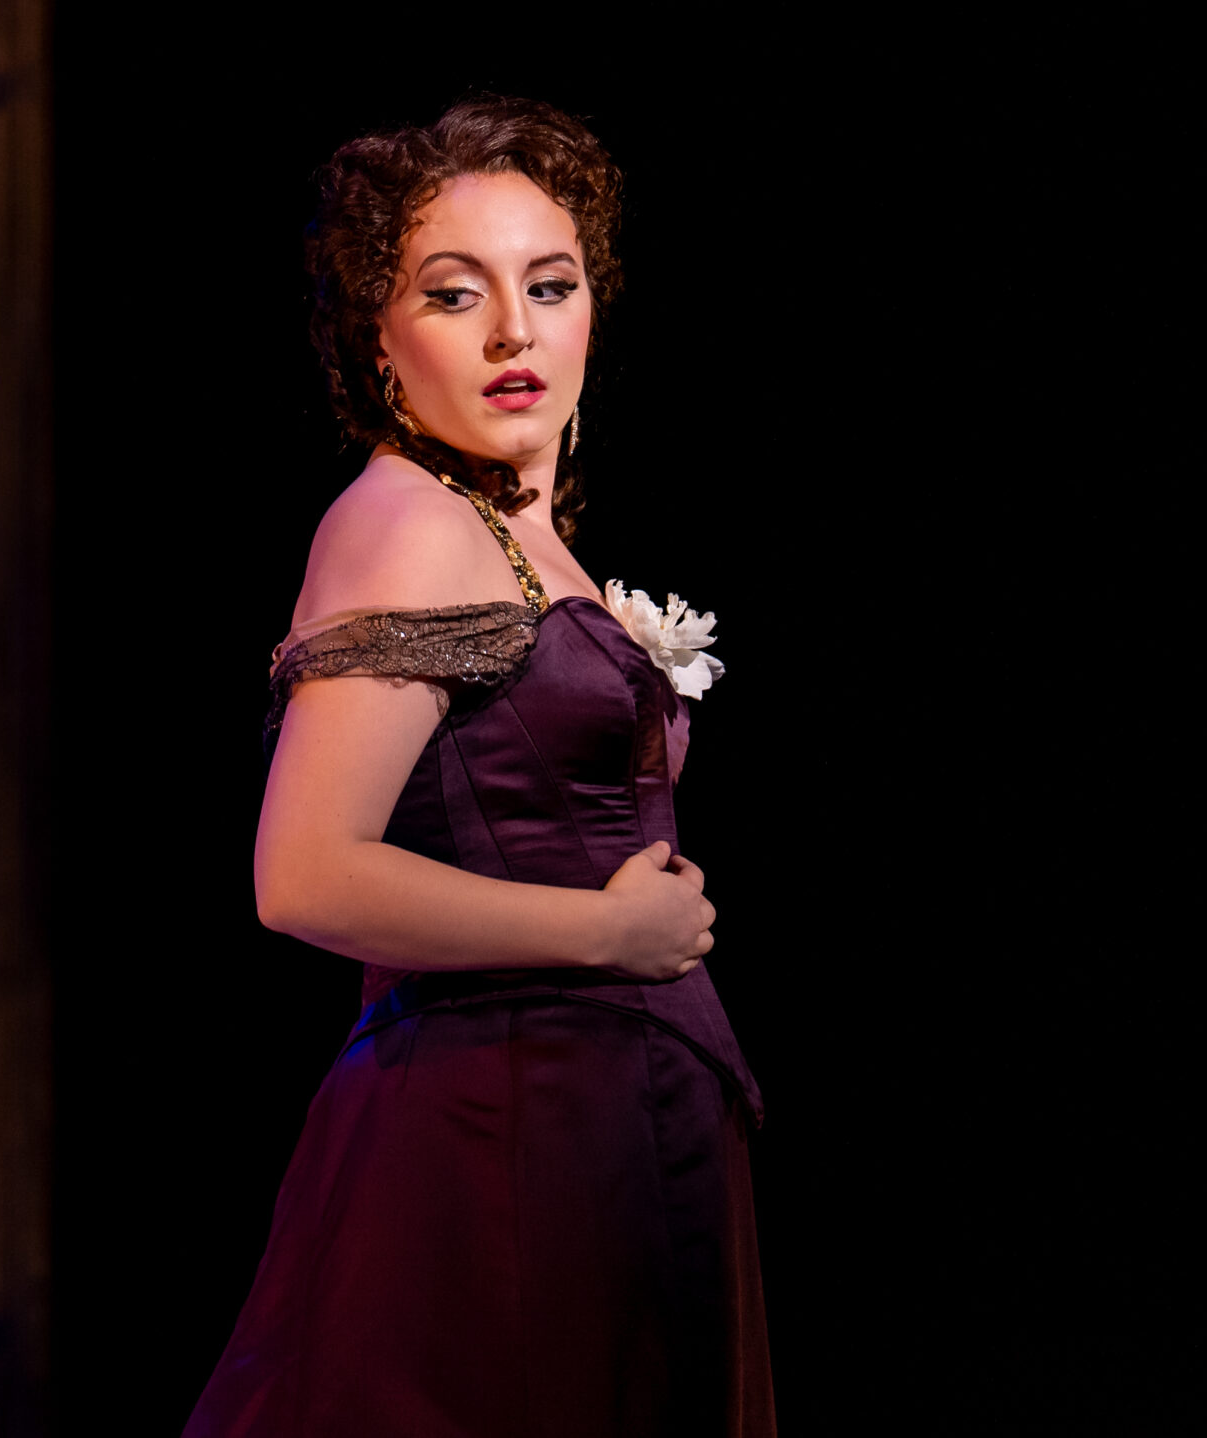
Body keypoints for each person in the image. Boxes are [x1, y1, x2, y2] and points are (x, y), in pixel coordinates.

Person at [184, 97, 772, 1436]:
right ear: (379, 340)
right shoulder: (405, 518)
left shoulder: (522, 534)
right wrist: (610, 929)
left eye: (549, 284)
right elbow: (304, 872)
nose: (515, 329)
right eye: (456, 294)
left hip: (603, 1128)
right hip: (502, 1133)